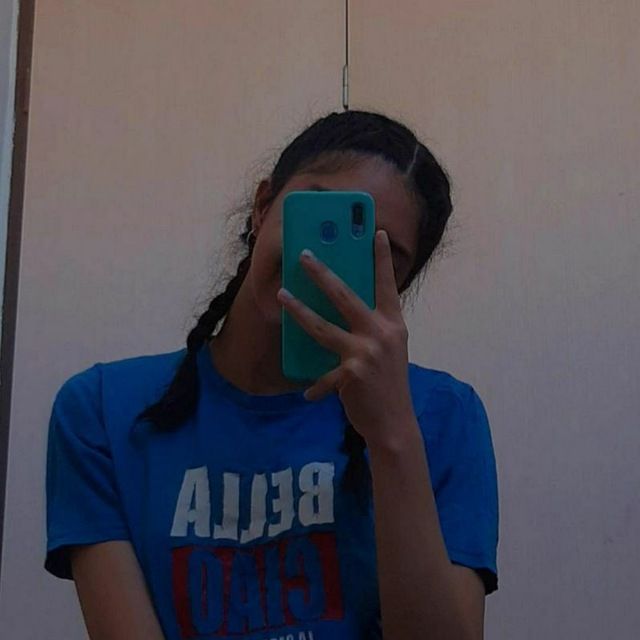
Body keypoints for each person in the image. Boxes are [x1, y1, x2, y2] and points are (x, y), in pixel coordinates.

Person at [45, 109, 499, 639]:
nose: (323, 264)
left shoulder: (442, 416)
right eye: (318, 217)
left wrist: (392, 434)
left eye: (380, 253)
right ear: (263, 208)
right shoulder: (101, 411)